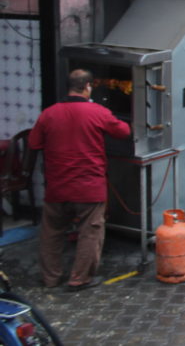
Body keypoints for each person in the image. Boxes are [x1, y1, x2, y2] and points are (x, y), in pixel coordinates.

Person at [28, 69, 131, 290]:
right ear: (88, 87)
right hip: (89, 187)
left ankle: (50, 278)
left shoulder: (49, 114)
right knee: (90, 233)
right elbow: (123, 131)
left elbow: (34, 143)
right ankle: (80, 279)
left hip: (57, 186)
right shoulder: (98, 112)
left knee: (51, 234)